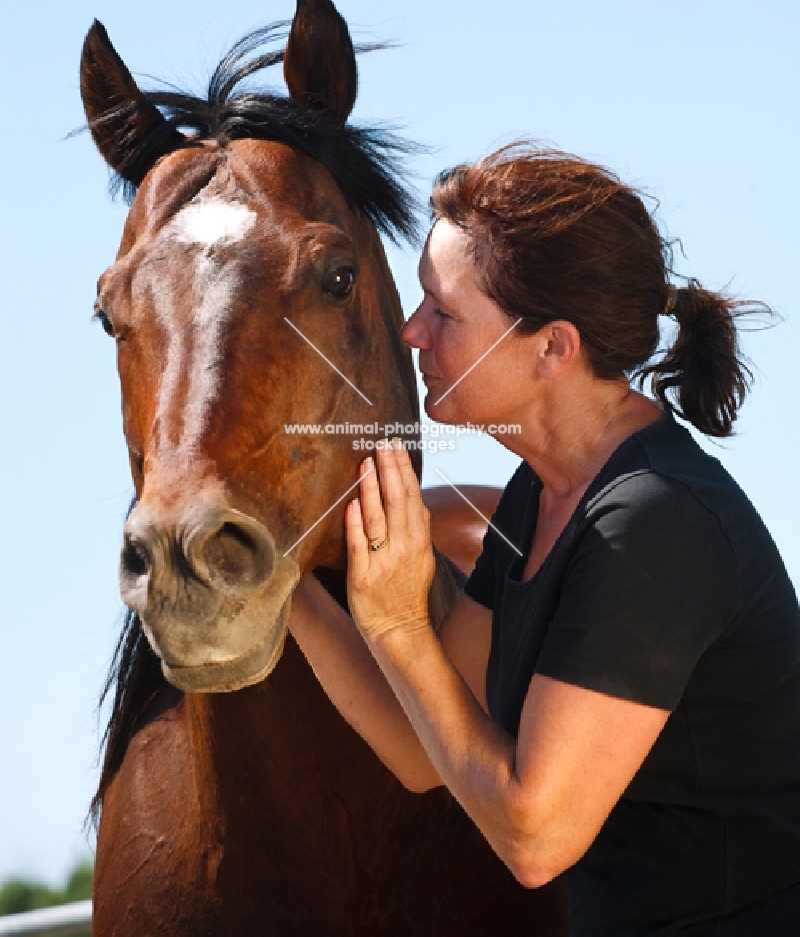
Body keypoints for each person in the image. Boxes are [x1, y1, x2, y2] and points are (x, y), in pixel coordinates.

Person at [289, 144, 800, 935]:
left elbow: (534, 838)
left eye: (444, 312)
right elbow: (426, 750)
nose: (410, 330)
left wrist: (396, 624)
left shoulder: (654, 523)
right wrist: (276, 578)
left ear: (553, 348)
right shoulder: (544, 491)